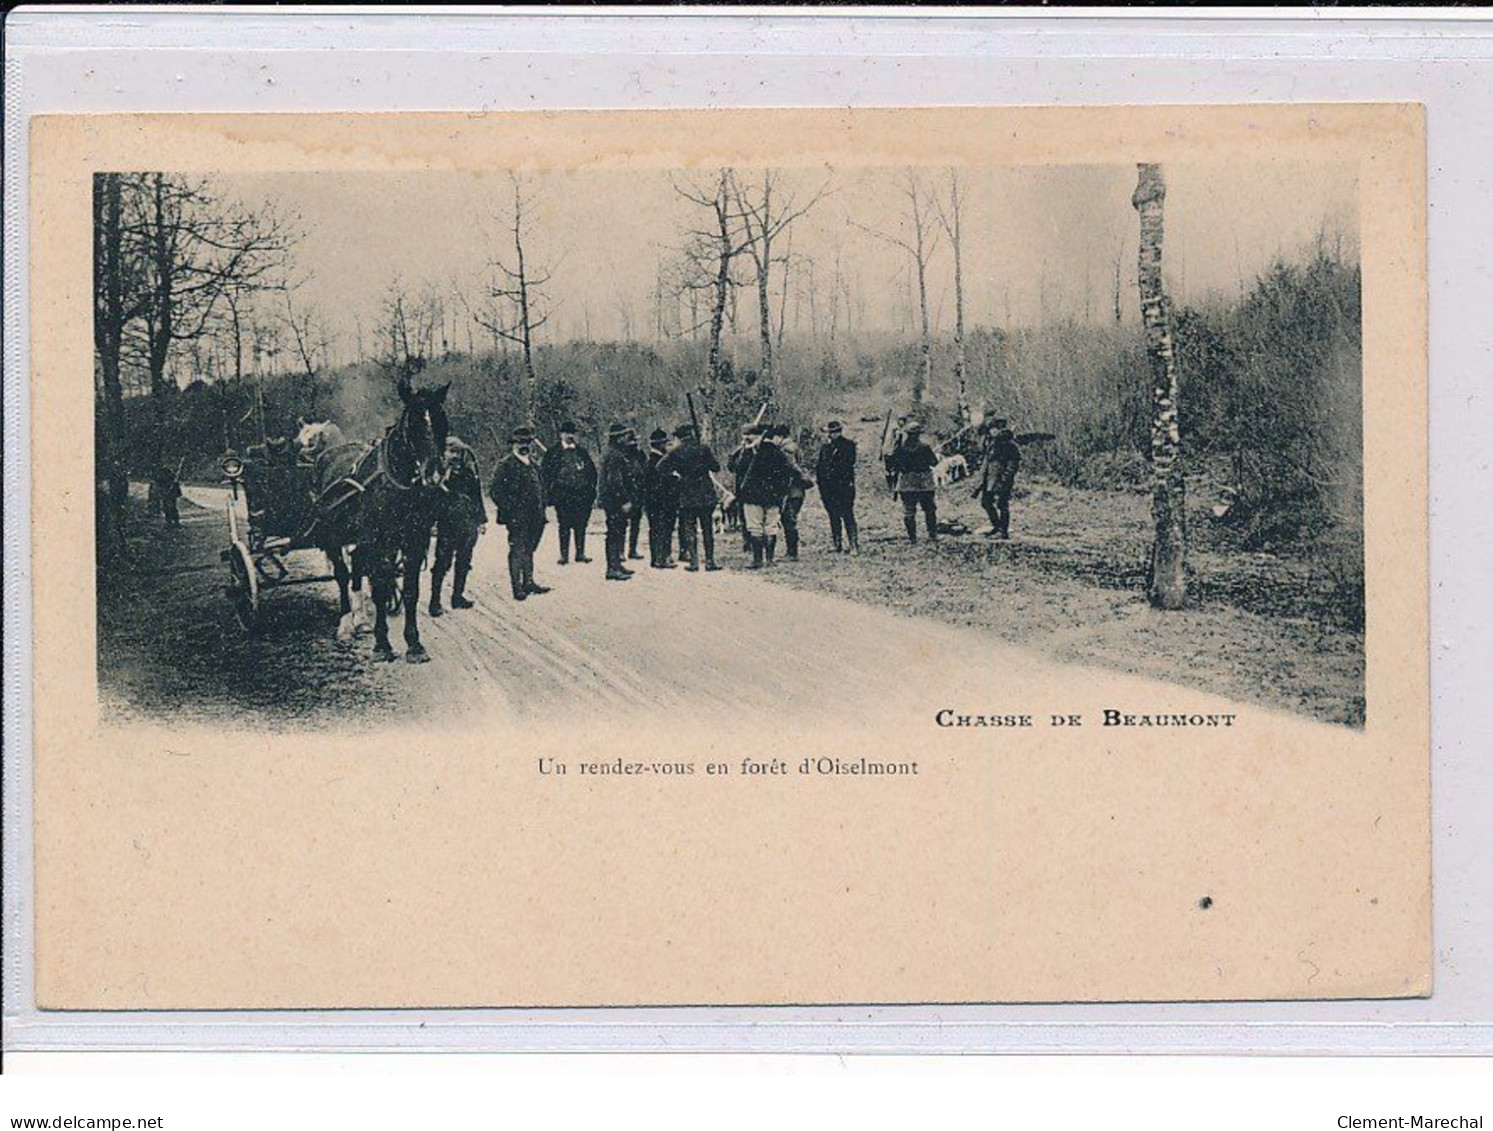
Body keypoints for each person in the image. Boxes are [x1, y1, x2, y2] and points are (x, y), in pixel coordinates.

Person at [489, 425, 551, 602]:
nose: (525, 446)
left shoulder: (534, 466)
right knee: (517, 550)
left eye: (528, 442)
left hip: (536, 517)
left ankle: (529, 582)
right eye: (520, 442)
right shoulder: (505, 465)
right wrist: (511, 510)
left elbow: (542, 488)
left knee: (530, 549)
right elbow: (495, 491)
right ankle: (517, 587)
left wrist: (543, 504)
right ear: (513, 444)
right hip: (517, 518)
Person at [428, 435, 487, 616]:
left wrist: (481, 520)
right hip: (447, 524)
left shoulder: (468, 472)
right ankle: (435, 601)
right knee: (442, 562)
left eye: (458, 453)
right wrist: (432, 523)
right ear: (443, 453)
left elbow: (477, 497)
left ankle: (457, 596)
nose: (455, 456)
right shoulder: (437, 474)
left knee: (464, 561)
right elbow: (430, 501)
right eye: (452, 452)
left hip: (467, 524)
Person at [728, 423, 795, 568]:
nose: (746, 438)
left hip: (753, 496)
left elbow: (735, 467)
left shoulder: (749, 453)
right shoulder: (778, 452)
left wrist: (742, 450)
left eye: (749, 436)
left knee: (755, 527)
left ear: (757, 436)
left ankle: (758, 560)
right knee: (770, 527)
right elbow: (786, 474)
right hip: (773, 497)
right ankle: (769, 560)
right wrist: (781, 493)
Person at [661, 421, 723, 572]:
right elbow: (716, 467)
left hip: (687, 493)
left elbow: (661, 467)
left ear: (680, 437)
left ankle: (694, 562)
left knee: (690, 528)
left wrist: (676, 476)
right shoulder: (703, 448)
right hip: (706, 492)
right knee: (707, 528)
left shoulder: (676, 451)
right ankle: (710, 561)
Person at [540, 420, 598, 566]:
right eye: (567, 433)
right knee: (564, 524)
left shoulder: (582, 452)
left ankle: (580, 553)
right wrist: (549, 495)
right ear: (561, 434)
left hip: (581, 495)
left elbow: (592, 472)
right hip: (562, 496)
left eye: (572, 433)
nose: (570, 436)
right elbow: (545, 475)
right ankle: (564, 555)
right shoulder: (553, 453)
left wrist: (590, 491)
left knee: (581, 524)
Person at [597, 422, 643, 581]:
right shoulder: (615, 455)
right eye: (624, 436)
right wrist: (624, 500)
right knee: (614, 532)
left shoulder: (612, 452)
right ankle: (612, 568)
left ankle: (616, 565)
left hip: (611, 499)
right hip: (614, 500)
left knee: (617, 531)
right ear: (618, 438)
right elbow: (615, 481)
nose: (626, 438)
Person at [887, 419, 940, 543]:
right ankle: (932, 536)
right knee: (929, 510)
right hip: (924, 483)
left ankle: (913, 538)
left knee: (909, 512)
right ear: (919, 434)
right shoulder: (925, 447)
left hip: (907, 483)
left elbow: (893, 464)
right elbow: (934, 462)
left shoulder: (900, 449)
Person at [815, 420, 859, 552]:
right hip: (828, 488)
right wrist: (821, 484)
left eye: (835, 432)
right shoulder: (825, 447)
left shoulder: (849, 445)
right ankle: (837, 544)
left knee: (847, 514)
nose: (832, 435)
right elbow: (820, 466)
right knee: (833, 515)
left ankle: (853, 545)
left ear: (840, 432)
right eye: (831, 433)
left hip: (844, 486)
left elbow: (848, 465)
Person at [974, 417, 1022, 539]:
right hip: (989, 480)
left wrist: (1004, 480)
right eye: (991, 429)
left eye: (995, 429)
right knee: (986, 503)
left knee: (1002, 504)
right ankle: (996, 526)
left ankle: (1003, 531)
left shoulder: (1010, 446)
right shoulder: (991, 443)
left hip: (1002, 480)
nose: (993, 431)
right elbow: (986, 462)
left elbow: (1012, 465)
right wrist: (980, 480)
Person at [772, 424, 814, 561]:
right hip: (795, 490)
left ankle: (792, 553)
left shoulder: (786, 449)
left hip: (792, 491)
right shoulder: (793, 446)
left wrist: (802, 476)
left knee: (789, 520)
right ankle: (791, 551)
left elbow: (793, 466)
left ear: (780, 436)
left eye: (774, 437)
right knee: (789, 520)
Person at [644, 428, 681, 569]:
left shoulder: (651, 460)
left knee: (656, 529)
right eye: (664, 444)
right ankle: (663, 557)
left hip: (654, 502)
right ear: (659, 445)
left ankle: (657, 558)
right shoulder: (657, 461)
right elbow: (660, 481)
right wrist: (674, 478)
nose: (666, 446)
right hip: (663, 501)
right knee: (664, 529)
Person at [624, 430, 648, 562]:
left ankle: (632, 549)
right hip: (626, 492)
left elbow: (644, 470)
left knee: (635, 522)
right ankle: (621, 551)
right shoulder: (622, 455)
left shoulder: (640, 454)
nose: (635, 444)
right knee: (621, 523)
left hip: (638, 492)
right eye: (632, 441)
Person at [151, 461, 183, 527]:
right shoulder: (159, 473)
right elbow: (158, 482)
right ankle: (169, 521)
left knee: (172, 506)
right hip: (164, 490)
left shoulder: (168, 472)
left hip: (171, 491)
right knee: (166, 507)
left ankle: (175, 522)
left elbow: (174, 481)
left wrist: (173, 485)